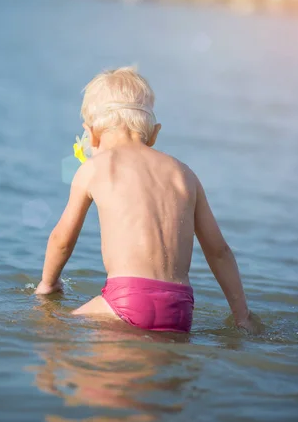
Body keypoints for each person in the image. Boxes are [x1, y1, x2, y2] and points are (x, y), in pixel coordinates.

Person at [35, 67, 256, 333]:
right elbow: (219, 251)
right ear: (154, 133)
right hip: (180, 309)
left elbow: (62, 240)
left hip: (125, 301)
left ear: (91, 133)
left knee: (52, 330)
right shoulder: (183, 174)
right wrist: (242, 316)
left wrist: (48, 284)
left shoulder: (95, 168)